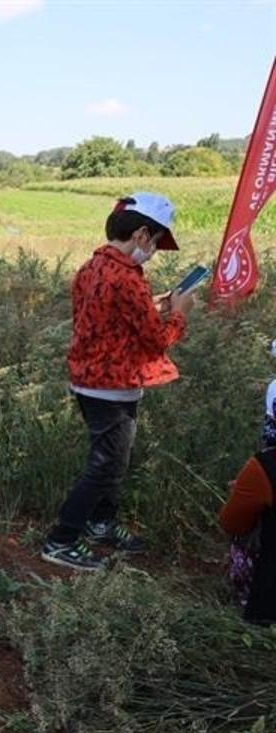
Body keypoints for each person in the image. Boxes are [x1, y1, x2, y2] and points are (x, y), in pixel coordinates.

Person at [41, 193, 194, 571]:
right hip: (112, 385)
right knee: (106, 464)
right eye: (156, 241)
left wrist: (152, 304)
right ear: (142, 234)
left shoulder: (90, 268)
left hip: (89, 379)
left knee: (113, 460)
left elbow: (106, 317)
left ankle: (100, 522)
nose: (155, 250)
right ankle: (61, 540)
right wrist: (178, 314)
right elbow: (156, 340)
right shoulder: (127, 278)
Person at [219, 439, 276, 625]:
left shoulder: (264, 465)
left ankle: (248, 604)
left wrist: (243, 492)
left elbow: (232, 524)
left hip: (267, 607)